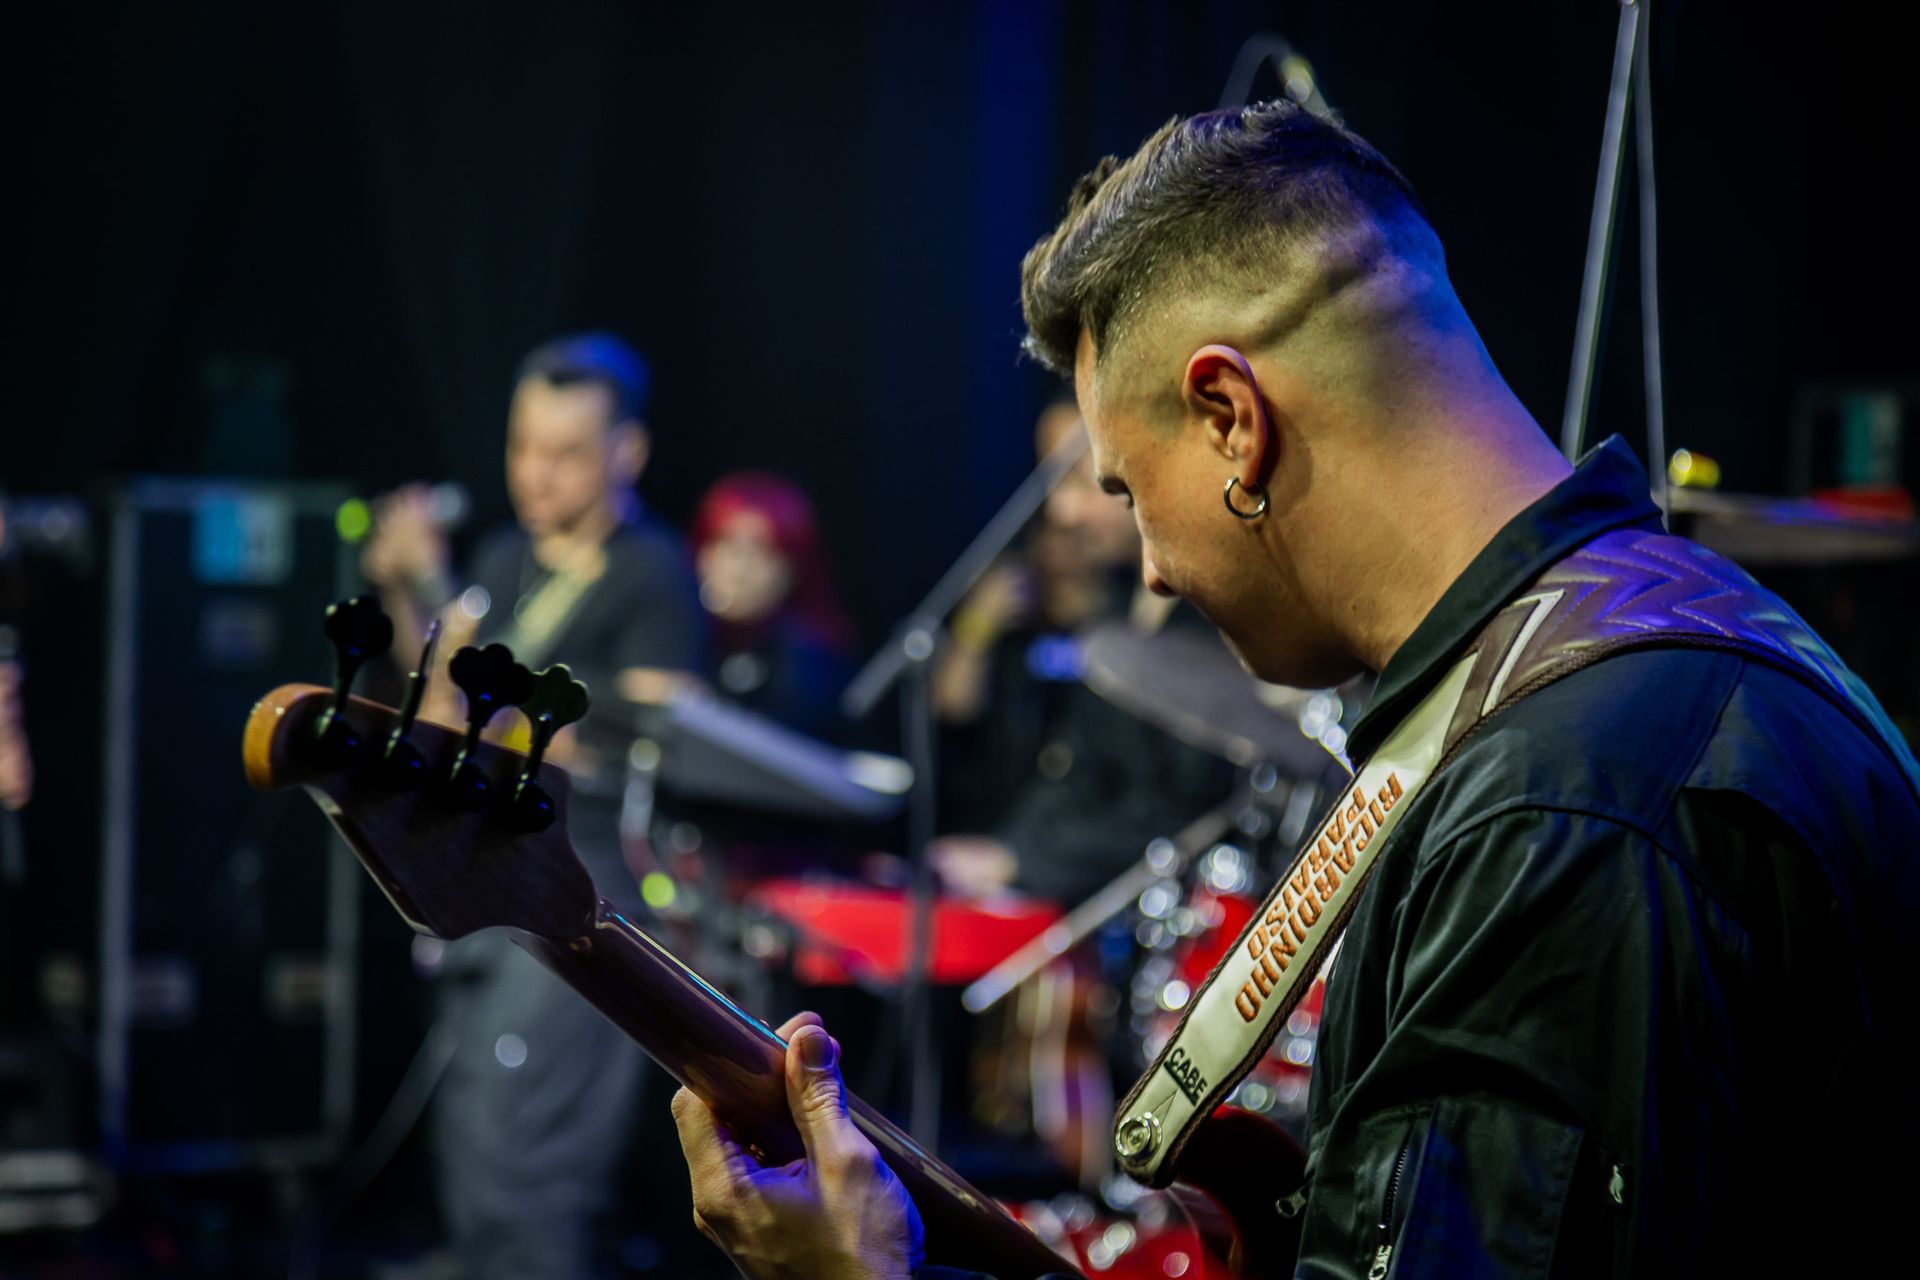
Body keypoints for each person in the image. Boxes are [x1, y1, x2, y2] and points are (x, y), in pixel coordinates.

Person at [671, 102, 1920, 1277]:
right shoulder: (1681, 636)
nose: (1152, 570)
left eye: (1125, 488)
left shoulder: (1559, 798)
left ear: (1230, 417)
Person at [363, 331, 705, 1279]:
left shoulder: (652, 575)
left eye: (565, 452)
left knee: (531, 1163)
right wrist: (408, 589)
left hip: (581, 897)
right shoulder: (508, 555)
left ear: (625, 454)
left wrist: (448, 610)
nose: (536, 473)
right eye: (524, 446)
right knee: (474, 1140)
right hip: (485, 888)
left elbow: (642, 739)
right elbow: (442, 705)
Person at [690, 470, 857, 740]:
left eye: (761, 551)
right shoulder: (680, 631)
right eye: (724, 544)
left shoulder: (809, 663)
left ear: (792, 569)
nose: (737, 570)